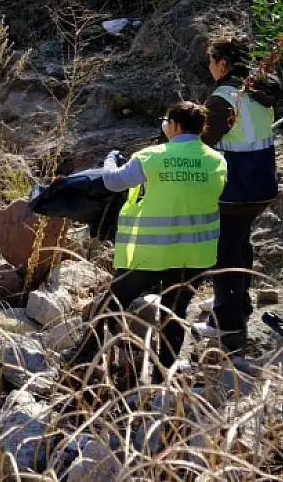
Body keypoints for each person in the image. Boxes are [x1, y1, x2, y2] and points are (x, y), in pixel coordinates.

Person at [66, 102, 228, 380]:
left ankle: (82, 357)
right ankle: (162, 379)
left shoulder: (153, 156)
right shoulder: (217, 160)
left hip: (154, 253)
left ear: (175, 125)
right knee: (174, 313)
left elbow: (114, 182)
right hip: (195, 256)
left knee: (111, 302)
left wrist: (110, 160)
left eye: (167, 120)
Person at [202, 36, 282, 354]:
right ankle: (239, 308)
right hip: (260, 187)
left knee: (224, 256)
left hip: (235, 191)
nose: (209, 67)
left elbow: (202, 142)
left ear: (223, 63)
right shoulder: (259, 94)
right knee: (239, 246)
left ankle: (229, 329)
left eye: (211, 61)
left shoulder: (224, 98)